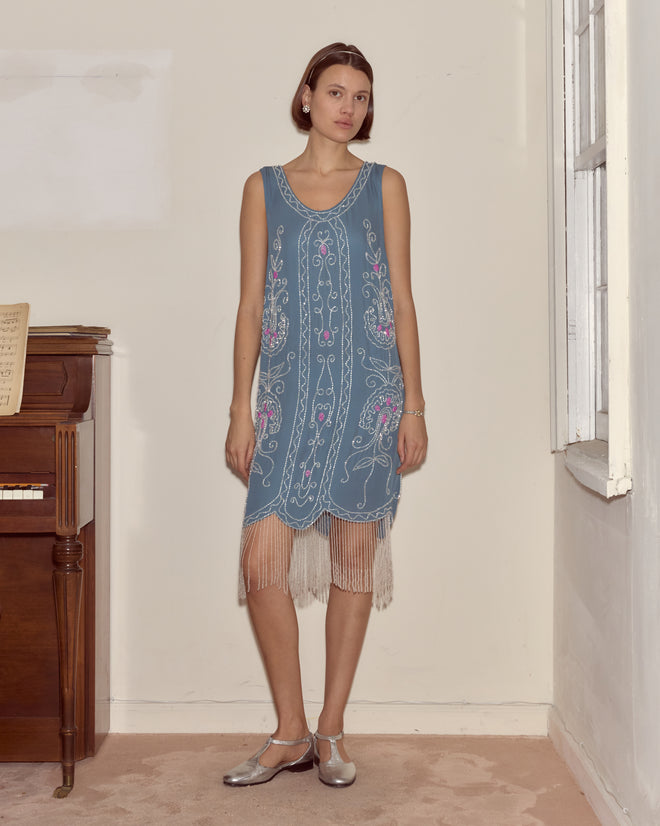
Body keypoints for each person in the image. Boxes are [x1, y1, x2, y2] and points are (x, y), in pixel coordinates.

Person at [224, 42, 427, 788]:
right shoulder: (262, 187)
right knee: (261, 560)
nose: (349, 106)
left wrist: (414, 401)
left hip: (369, 396)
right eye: (336, 91)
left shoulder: (385, 185)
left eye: (362, 96)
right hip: (286, 399)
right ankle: (289, 731)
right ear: (306, 96)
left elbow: (401, 299)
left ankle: (332, 730)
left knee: (352, 563)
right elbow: (249, 306)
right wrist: (240, 412)